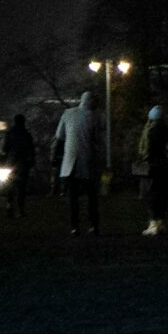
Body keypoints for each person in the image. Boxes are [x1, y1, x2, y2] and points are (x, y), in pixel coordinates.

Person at [54, 92, 103, 234]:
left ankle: (74, 226)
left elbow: (59, 135)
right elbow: (97, 140)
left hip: (70, 163)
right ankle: (93, 225)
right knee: (91, 197)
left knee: (73, 198)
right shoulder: (94, 117)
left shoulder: (67, 113)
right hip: (88, 162)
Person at [138, 106, 168, 236]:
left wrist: (142, 159)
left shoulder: (150, 131)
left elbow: (146, 149)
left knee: (150, 194)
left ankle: (152, 223)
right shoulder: (165, 130)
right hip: (163, 164)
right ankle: (161, 222)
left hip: (151, 166)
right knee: (162, 194)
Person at [2, 113, 37, 219]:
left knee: (10, 186)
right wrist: (31, 161)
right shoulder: (26, 134)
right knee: (22, 187)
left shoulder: (10, 134)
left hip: (10, 163)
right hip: (23, 163)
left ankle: (9, 207)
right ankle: (21, 210)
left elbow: (4, 148)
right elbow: (31, 150)